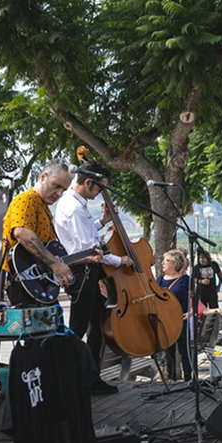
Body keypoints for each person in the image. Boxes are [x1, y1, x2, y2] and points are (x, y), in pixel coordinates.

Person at [55, 161, 134, 395]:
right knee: (79, 328)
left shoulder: (76, 204)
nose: (101, 193)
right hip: (83, 272)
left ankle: (89, 378)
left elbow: (87, 233)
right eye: (99, 188)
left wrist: (103, 222)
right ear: (88, 182)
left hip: (87, 272)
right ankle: (70, 380)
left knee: (96, 326)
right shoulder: (75, 207)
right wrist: (121, 261)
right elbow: (89, 250)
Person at [1, 159, 77, 305]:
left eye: (63, 190)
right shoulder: (26, 199)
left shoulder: (43, 207)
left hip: (39, 283)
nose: (59, 193)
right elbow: (23, 234)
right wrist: (55, 264)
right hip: (24, 282)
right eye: (56, 185)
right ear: (43, 177)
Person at [157, 249, 192, 381]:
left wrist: (191, 312)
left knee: (184, 350)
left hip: (180, 319)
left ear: (174, 264)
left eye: (166, 261)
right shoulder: (160, 279)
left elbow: (195, 299)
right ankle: (171, 378)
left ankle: (188, 378)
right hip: (165, 321)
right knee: (169, 352)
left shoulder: (185, 280)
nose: (162, 263)